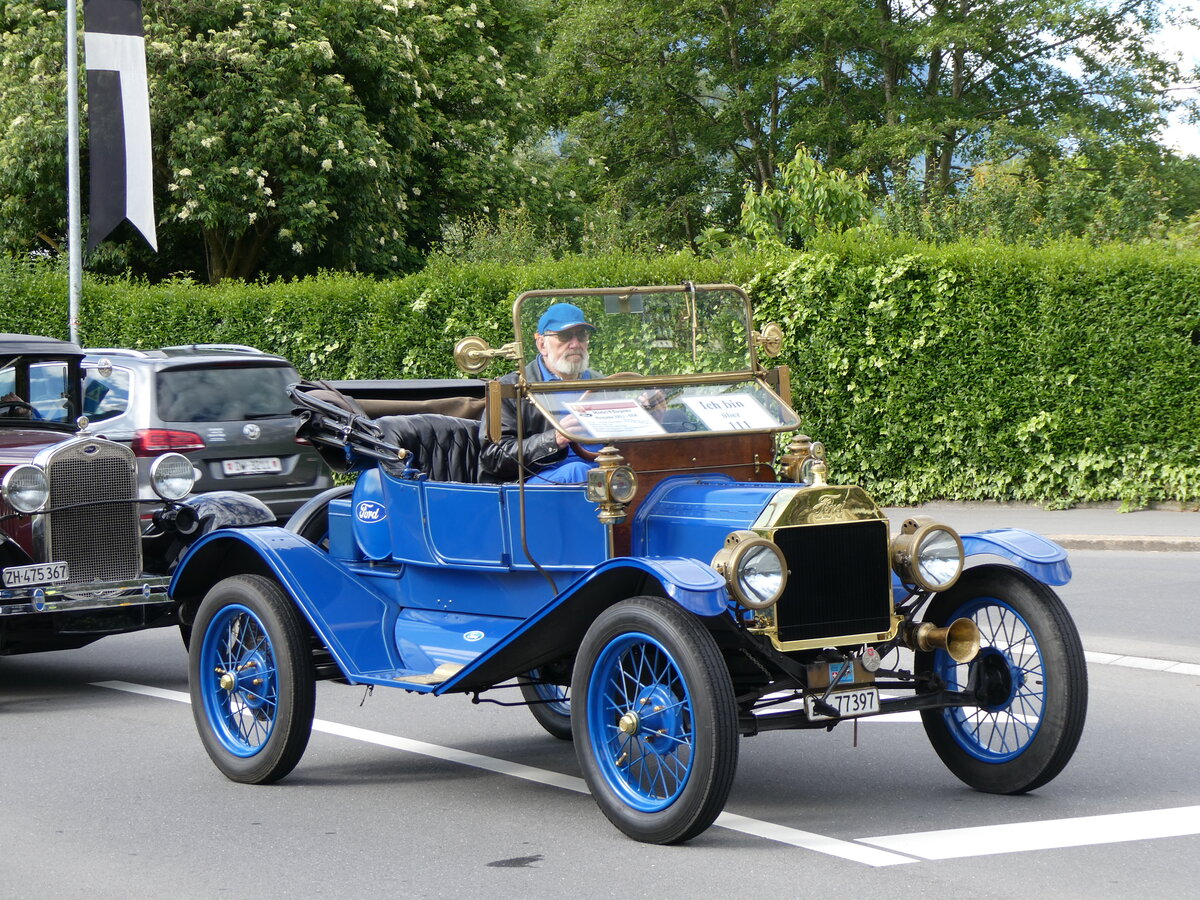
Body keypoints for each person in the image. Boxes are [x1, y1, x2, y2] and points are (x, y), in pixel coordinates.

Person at [478, 302, 602, 483]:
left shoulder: (602, 383)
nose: (575, 344)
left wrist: (653, 413)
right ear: (542, 344)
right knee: (578, 472)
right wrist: (554, 439)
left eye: (581, 335)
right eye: (565, 336)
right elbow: (493, 456)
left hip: (606, 472)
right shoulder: (512, 388)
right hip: (536, 478)